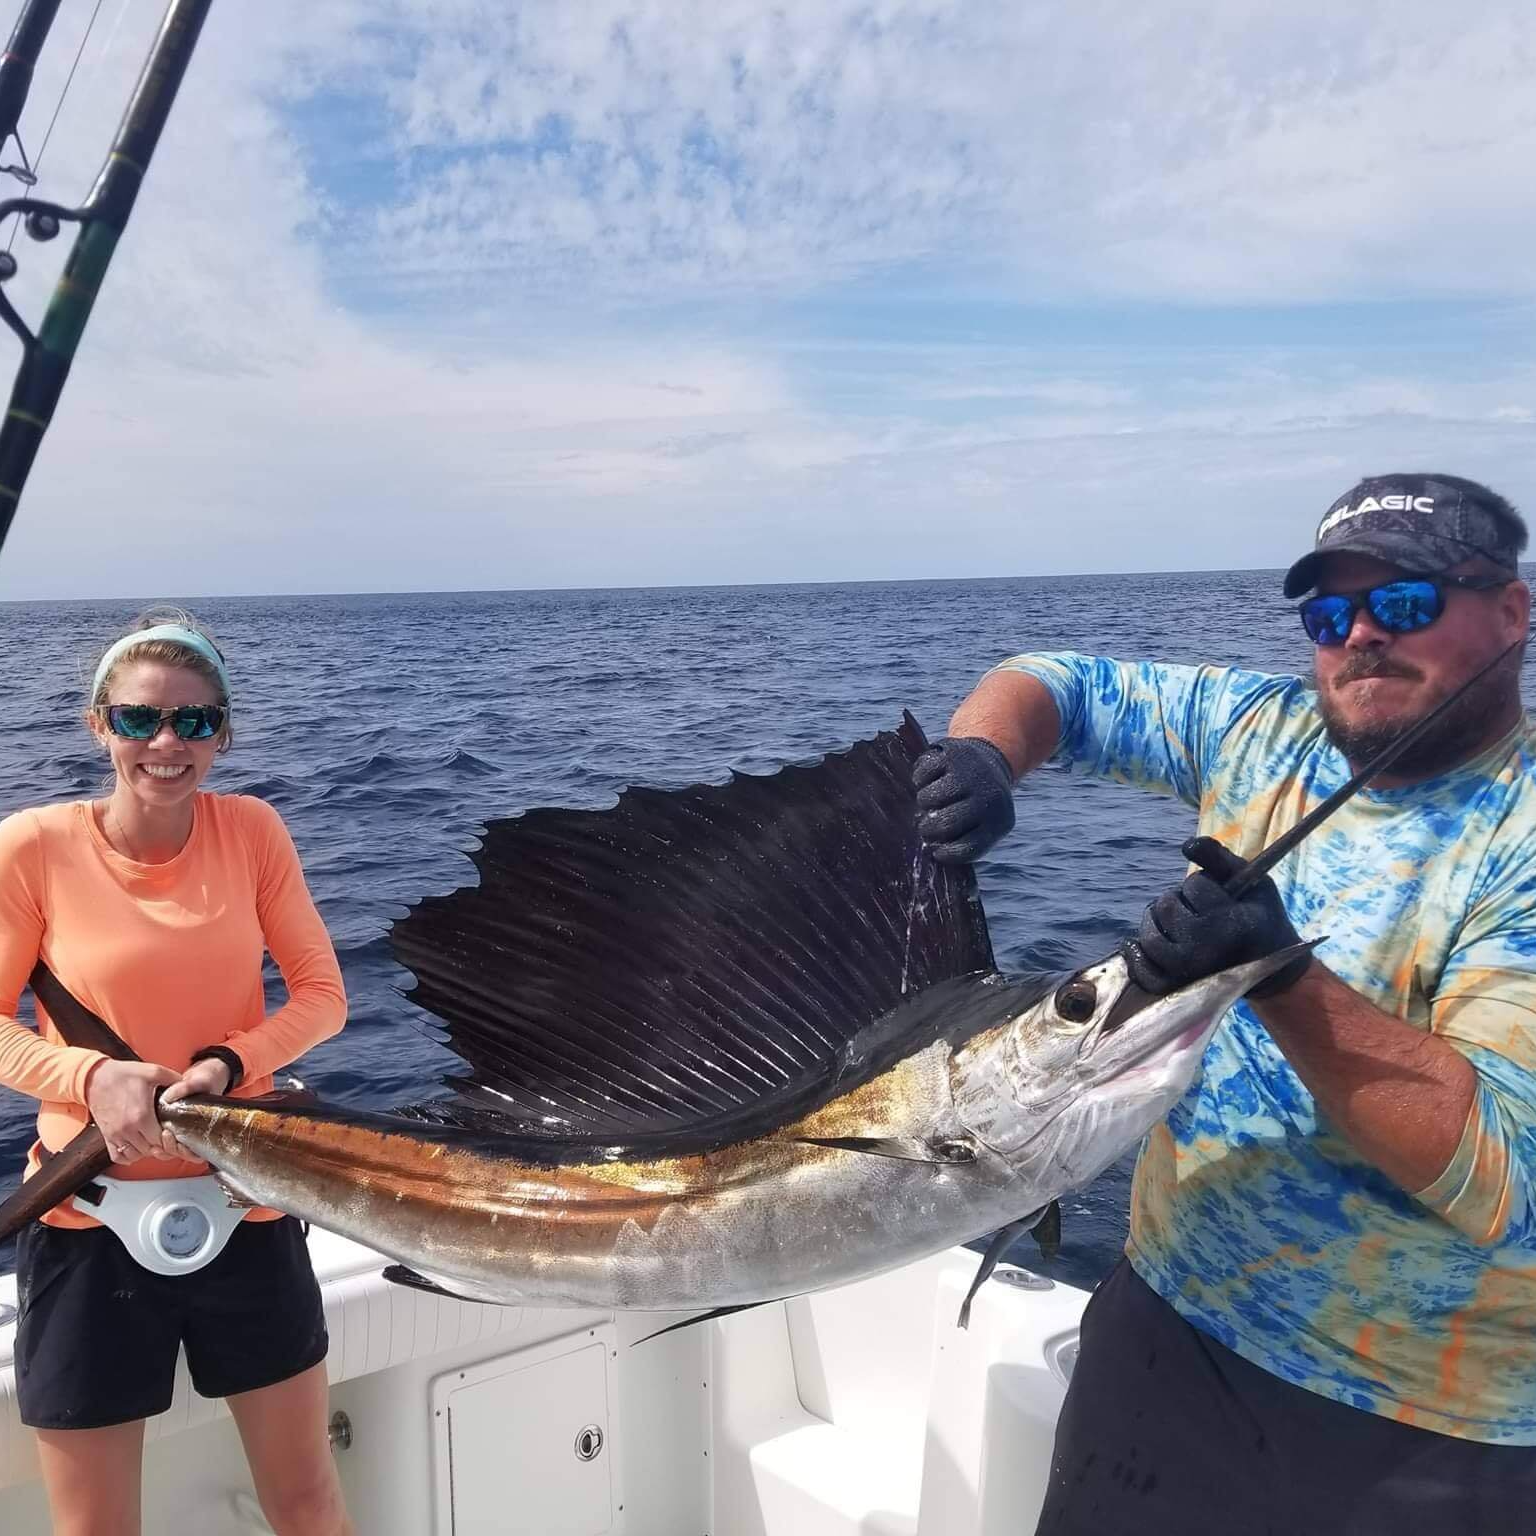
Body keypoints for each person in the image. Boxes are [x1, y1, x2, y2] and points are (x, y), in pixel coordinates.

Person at [914, 474, 1536, 1534]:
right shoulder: (1264, 726)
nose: (1360, 640)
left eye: (1403, 605)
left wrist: (1284, 977)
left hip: (1421, 1428)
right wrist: (985, 752)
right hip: (1161, 1329)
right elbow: (1055, 680)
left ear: (1514, 612)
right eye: (1330, 615)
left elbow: (1504, 1180)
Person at [0, 610, 352, 1536]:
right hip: (87, 1220)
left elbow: (321, 996)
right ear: (97, 725)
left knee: (310, 1503)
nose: (166, 743)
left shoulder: (253, 830)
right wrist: (89, 1078)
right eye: (139, 720)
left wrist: (230, 1062)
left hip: (248, 1204)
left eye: (195, 723)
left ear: (224, 734)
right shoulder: (31, 847)